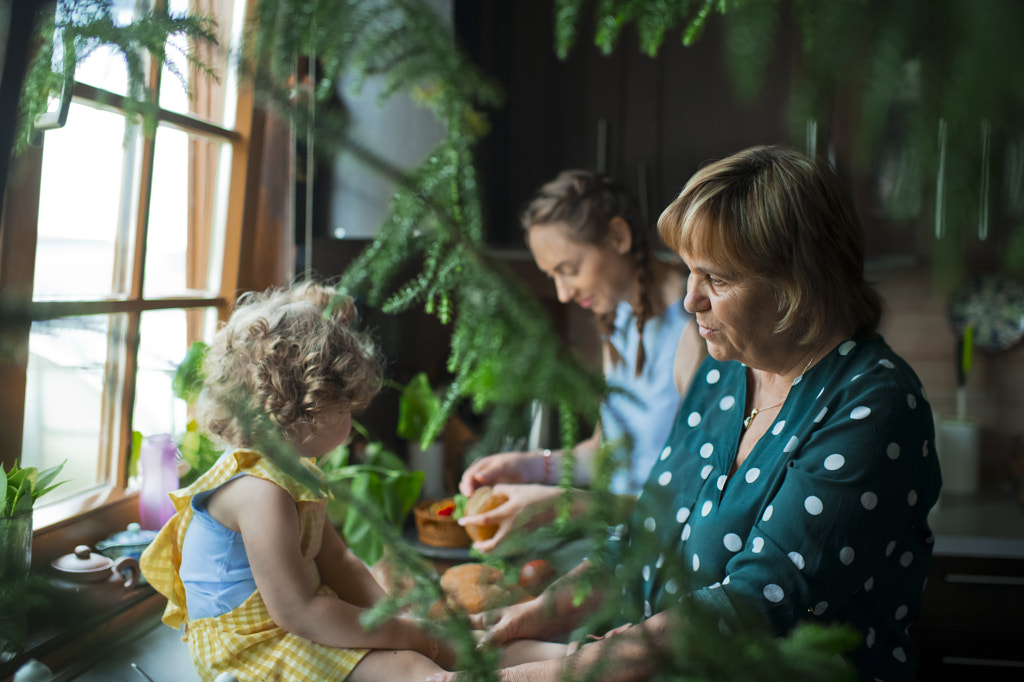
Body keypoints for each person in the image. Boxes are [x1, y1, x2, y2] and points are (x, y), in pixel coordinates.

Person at [432, 146, 942, 682]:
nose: (690, 300)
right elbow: (644, 536)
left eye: (717, 280)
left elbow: (753, 605)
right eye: (689, 273)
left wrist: (553, 671)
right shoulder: (724, 372)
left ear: (798, 284)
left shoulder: (873, 404)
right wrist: (537, 615)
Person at [140, 283, 566, 681]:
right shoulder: (259, 492)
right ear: (304, 406)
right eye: (345, 406)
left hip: (296, 622)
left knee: (441, 646)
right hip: (250, 648)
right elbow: (299, 613)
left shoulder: (294, 473)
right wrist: (402, 637)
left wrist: (399, 622)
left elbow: (339, 562)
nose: (353, 415)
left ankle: (578, 661)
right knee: (416, 668)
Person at [458, 170, 705, 552]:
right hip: (616, 548)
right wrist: (527, 467)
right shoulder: (619, 320)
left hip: (672, 560)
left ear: (618, 237)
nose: (561, 293)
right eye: (552, 276)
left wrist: (569, 505)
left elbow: (698, 501)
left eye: (568, 270)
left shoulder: (697, 332)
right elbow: (613, 455)